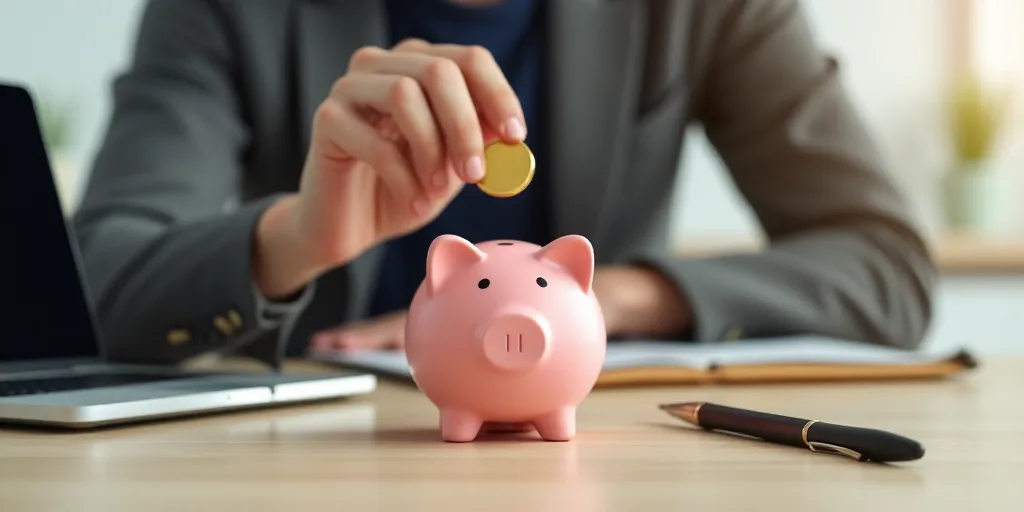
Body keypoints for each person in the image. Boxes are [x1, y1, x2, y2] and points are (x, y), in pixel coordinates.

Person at [72, 0, 936, 369]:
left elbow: (885, 268)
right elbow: (94, 281)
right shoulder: (226, 9)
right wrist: (295, 239)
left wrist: (614, 299)